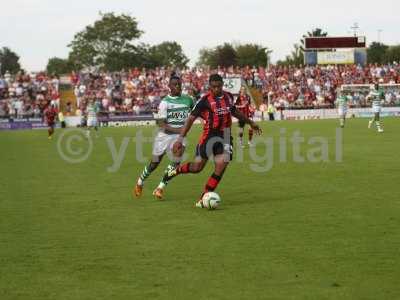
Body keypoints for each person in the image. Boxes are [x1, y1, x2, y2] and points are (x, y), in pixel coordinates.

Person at [162, 74, 262, 208]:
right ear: (210, 87)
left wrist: (250, 122)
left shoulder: (228, 97)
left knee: (221, 165)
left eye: (219, 86)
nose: (216, 89)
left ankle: (203, 197)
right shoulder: (204, 101)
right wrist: (180, 139)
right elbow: (191, 119)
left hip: (225, 136)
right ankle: (177, 171)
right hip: (209, 136)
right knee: (197, 168)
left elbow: (234, 111)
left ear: (222, 85)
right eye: (213, 87)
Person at [134, 75, 194, 200]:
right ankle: (140, 181)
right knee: (154, 163)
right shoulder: (164, 103)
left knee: (177, 159)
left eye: (179, 84)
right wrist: (180, 130)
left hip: (179, 136)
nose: (178, 86)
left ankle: (160, 187)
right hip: (164, 136)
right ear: (169, 86)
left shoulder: (189, 100)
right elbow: (161, 125)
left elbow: (196, 113)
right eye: (175, 84)